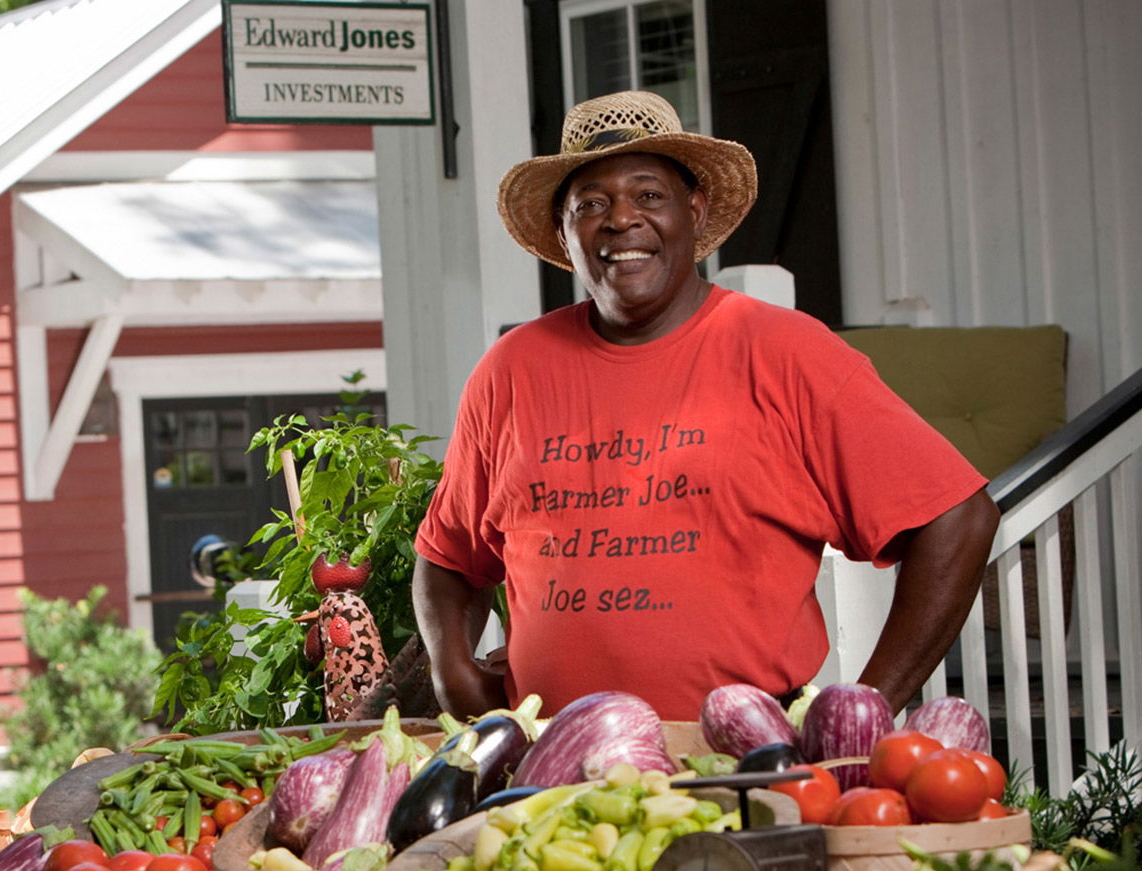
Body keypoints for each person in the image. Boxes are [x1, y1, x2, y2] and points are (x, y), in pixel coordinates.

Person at [413, 90, 1000, 722]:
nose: (620, 220)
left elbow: (958, 519)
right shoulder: (512, 370)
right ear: (564, 232)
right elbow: (447, 557)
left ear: (694, 210)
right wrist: (451, 671)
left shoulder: (785, 351)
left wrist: (868, 708)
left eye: (649, 195)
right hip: (549, 765)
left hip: (745, 758)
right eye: (590, 204)